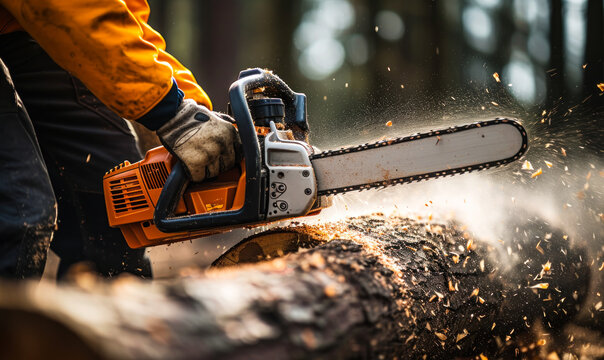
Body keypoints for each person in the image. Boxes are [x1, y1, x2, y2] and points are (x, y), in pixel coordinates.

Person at [0, 0, 241, 279]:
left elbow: (125, 21)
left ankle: (103, 312)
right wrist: (166, 108)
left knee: (118, 204)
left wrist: (192, 110)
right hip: (55, 12)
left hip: (36, 25)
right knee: (21, 210)